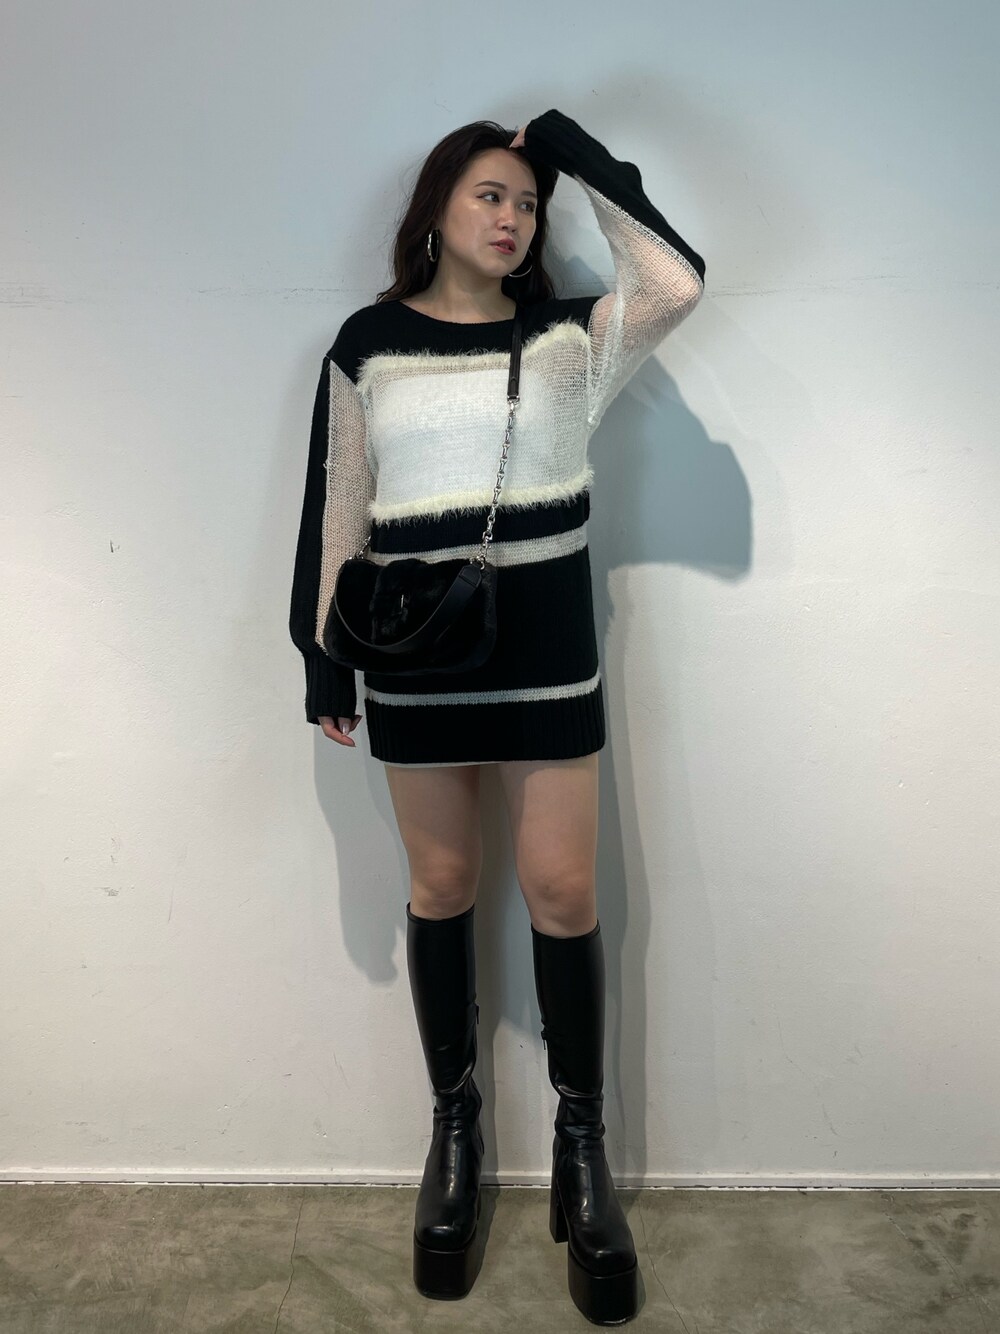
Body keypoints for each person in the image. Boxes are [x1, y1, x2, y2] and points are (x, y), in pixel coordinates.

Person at [289, 107, 705, 1325]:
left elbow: (674, 282)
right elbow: (340, 503)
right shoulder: (368, 343)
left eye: (526, 202)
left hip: (547, 655)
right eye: (489, 193)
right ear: (435, 207)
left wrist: (568, 147)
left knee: (563, 892)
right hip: (413, 658)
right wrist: (321, 659)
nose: (512, 216)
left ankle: (582, 1150)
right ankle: (455, 1132)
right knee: (442, 884)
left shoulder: (569, 340)